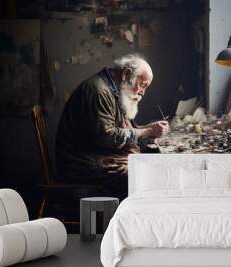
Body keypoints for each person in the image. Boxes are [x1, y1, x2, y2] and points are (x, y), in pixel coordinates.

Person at [55, 54, 169, 200]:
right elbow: (107, 136)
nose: (143, 92)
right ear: (127, 74)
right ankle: (125, 221)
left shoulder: (114, 90)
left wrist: (148, 129)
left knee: (148, 166)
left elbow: (121, 129)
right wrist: (148, 131)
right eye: (142, 85)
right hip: (81, 163)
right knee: (142, 176)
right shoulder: (99, 91)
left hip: (98, 156)